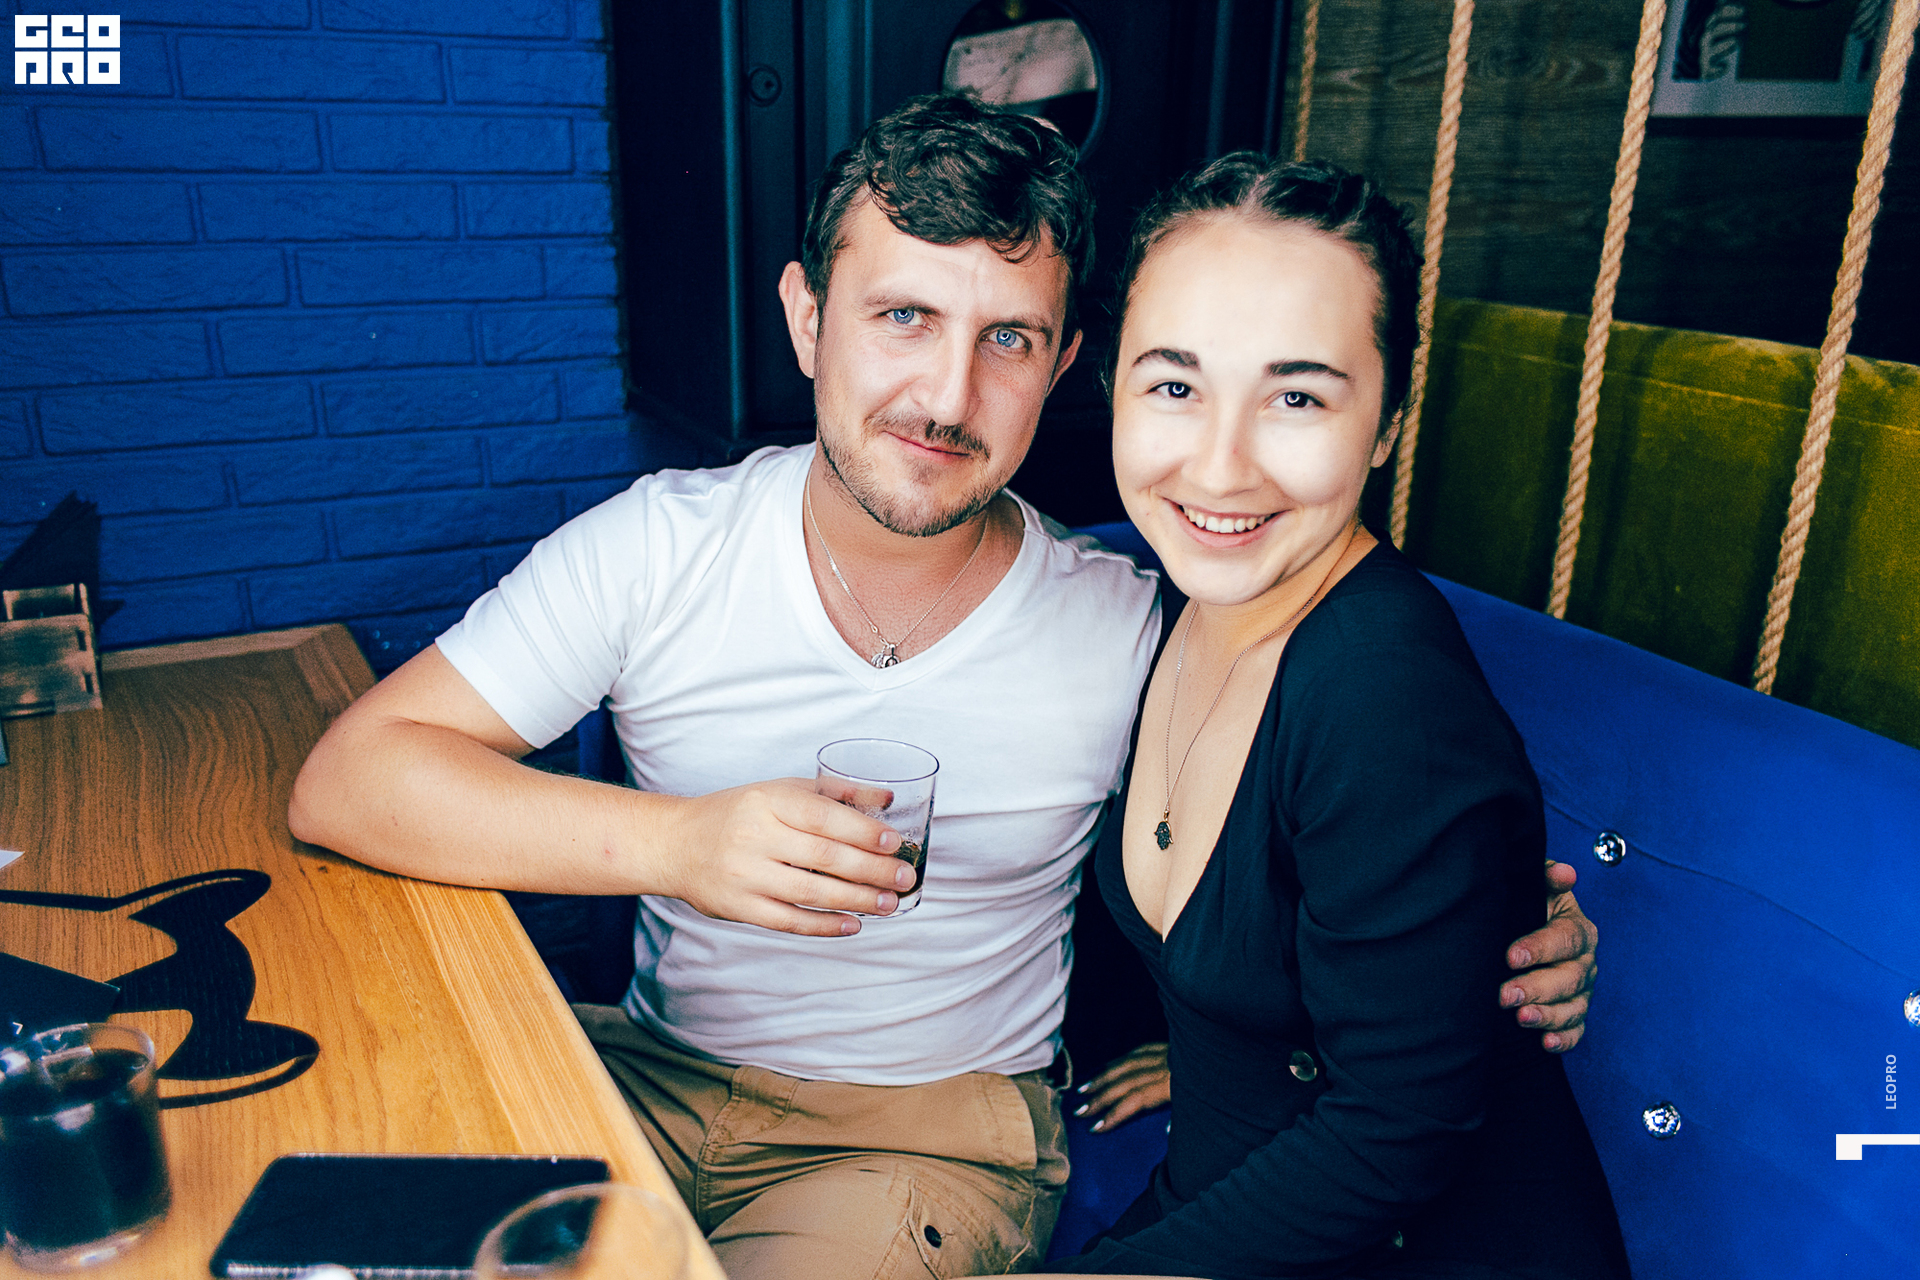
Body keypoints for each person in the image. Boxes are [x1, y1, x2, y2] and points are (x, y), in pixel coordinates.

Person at [288, 96, 1599, 1280]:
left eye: (1007, 338)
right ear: (809, 319)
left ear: (1063, 366)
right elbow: (350, 779)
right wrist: (679, 843)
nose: (947, 395)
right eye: (903, 317)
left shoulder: (1138, 621)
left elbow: (1342, 869)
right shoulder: (658, 548)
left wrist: (1487, 940)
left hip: (920, 1139)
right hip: (646, 1069)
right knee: (326, 1218)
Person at [1037, 156, 1630, 1279]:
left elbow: (1397, 1132)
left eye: (1297, 397)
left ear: (1388, 422)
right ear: (1112, 388)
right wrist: (1219, 1046)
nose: (1221, 466)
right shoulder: (1183, 600)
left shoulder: (1381, 691)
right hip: (1233, 1206)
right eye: (1175, 387)